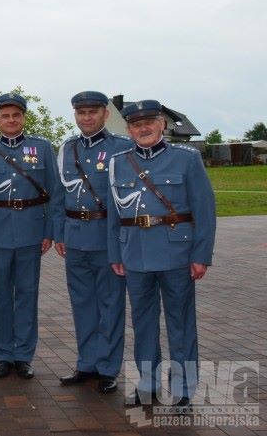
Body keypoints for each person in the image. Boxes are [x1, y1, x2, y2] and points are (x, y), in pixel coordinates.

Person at [108, 100, 215, 406]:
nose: (143, 128)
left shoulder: (187, 159)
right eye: (136, 124)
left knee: (180, 323)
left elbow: (204, 210)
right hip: (135, 254)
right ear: (128, 129)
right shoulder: (119, 161)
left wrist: (201, 254)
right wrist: (116, 253)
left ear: (162, 125)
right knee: (142, 323)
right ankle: (147, 384)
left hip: (176, 253)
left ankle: (182, 390)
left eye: (150, 121)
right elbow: (114, 214)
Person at [0, 93, 64, 380]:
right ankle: (3, 355)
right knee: (1, 296)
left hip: (31, 230)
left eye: (16, 115)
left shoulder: (41, 148)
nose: (11, 120)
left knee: (27, 294)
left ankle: (24, 355)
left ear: (24, 117)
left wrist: (50, 231)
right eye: (5, 116)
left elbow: (55, 191)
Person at [55, 91, 132, 394]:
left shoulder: (122, 148)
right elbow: (60, 194)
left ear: (104, 114)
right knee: (82, 304)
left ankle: (109, 367)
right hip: (75, 237)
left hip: (107, 238)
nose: (86, 118)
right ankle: (87, 363)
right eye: (81, 113)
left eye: (92, 112)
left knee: (111, 304)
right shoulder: (67, 148)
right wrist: (59, 232)